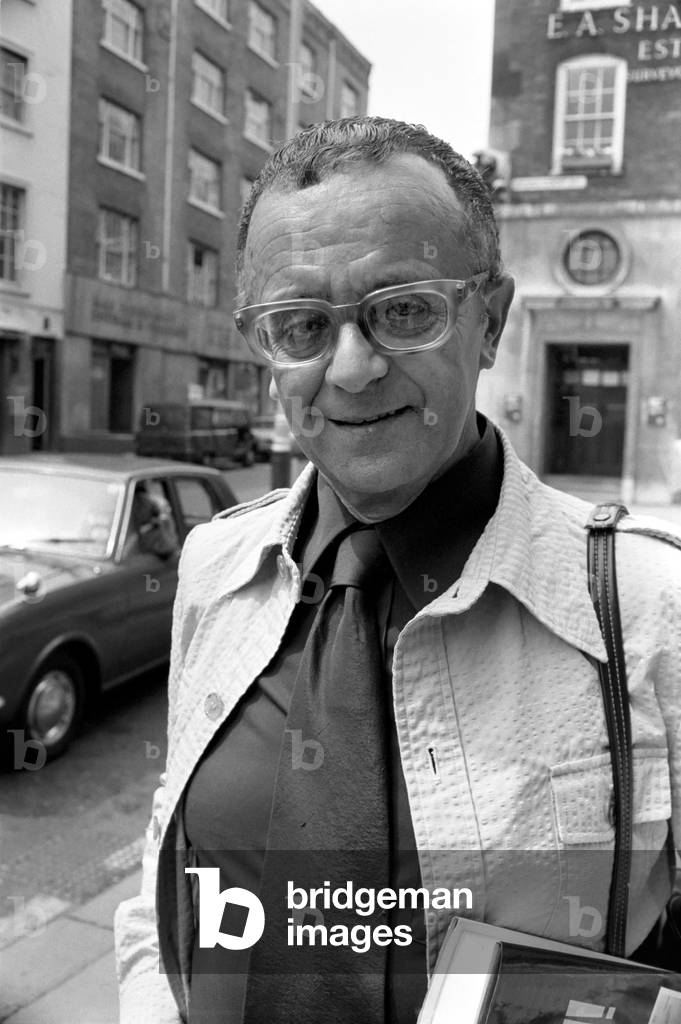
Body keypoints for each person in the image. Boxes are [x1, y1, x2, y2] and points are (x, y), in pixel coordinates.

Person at [115, 117, 681, 1024]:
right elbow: (164, 868)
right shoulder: (215, 564)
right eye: (299, 325)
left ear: (487, 320)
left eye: (403, 309)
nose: (350, 367)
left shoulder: (652, 610)